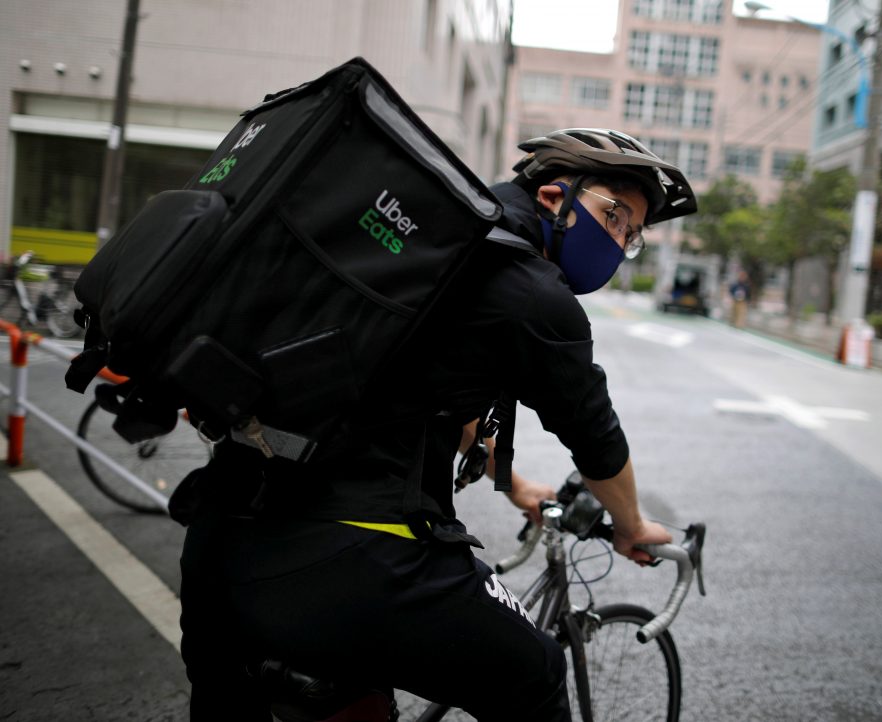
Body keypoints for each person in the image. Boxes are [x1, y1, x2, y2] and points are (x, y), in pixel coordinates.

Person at [177, 128, 698, 720]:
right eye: (614, 216)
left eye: (632, 235)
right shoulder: (532, 292)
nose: (620, 239)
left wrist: (516, 484)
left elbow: (423, 387)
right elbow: (594, 434)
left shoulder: (437, 245)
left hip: (221, 539)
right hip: (356, 554)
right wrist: (629, 524)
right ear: (555, 197)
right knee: (536, 674)